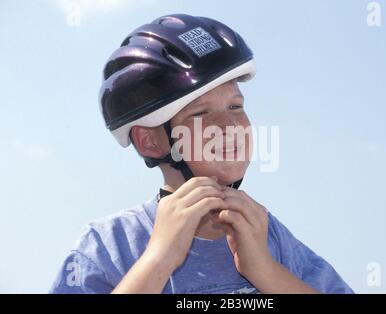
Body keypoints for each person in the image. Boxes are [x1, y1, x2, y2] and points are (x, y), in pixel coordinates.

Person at [49, 13, 353, 294]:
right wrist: (158, 260)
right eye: (200, 114)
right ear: (150, 141)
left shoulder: (268, 235)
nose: (229, 125)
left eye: (235, 106)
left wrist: (265, 270)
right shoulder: (107, 246)